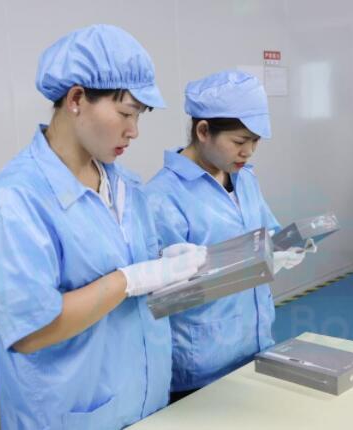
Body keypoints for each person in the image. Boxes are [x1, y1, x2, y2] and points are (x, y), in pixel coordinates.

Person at [0, 24, 206, 429]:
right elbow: (31, 330)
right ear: (77, 99)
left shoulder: (126, 186)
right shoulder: (16, 200)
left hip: (145, 405)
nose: (134, 131)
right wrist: (129, 279)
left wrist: (164, 269)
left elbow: (133, 290)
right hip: (71, 416)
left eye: (139, 116)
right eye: (126, 113)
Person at [144, 70, 315, 400]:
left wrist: (285, 246)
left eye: (255, 141)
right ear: (203, 131)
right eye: (239, 141)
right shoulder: (162, 197)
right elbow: (165, 297)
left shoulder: (245, 179)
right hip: (201, 363)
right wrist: (243, 267)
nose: (248, 152)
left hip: (255, 345)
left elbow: (267, 232)